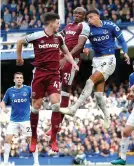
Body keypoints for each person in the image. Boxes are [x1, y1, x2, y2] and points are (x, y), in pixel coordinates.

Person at [16, 12, 79, 152]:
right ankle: (33, 138)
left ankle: (54, 139)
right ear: (51, 23)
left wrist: (73, 63)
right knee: (35, 107)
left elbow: (67, 52)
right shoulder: (37, 36)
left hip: (54, 75)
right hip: (39, 74)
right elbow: (19, 42)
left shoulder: (59, 38)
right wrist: (19, 58)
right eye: (57, 23)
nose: (59, 25)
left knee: (56, 104)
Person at [60, 9, 130, 128]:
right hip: (96, 61)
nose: (89, 20)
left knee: (89, 81)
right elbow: (78, 41)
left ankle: (73, 109)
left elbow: (122, 41)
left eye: (91, 17)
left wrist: (125, 52)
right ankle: (107, 116)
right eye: (88, 18)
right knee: (98, 95)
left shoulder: (110, 25)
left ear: (98, 16)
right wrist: (83, 49)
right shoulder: (88, 29)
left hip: (109, 60)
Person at [46, 7, 90, 136]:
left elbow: (80, 45)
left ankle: (57, 126)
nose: (76, 15)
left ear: (84, 15)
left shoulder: (84, 26)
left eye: (79, 13)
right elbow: (59, 37)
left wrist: (68, 57)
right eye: (75, 13)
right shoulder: (69, 26)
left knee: (65, 90)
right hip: (63, 57)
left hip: (72, 60)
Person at [0, 72, 39, 166]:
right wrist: (4, 108)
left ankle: (36, 162)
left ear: (23, 79)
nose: (19, 79)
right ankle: (5, 162)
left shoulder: (28, 89)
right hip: (13, 120)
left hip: (26, 120)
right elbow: (2, 102)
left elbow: (36, 97)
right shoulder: (9, 91)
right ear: (14, 80)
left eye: (21, 78)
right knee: (7, 139)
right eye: (17, 78)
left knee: (31, 139)